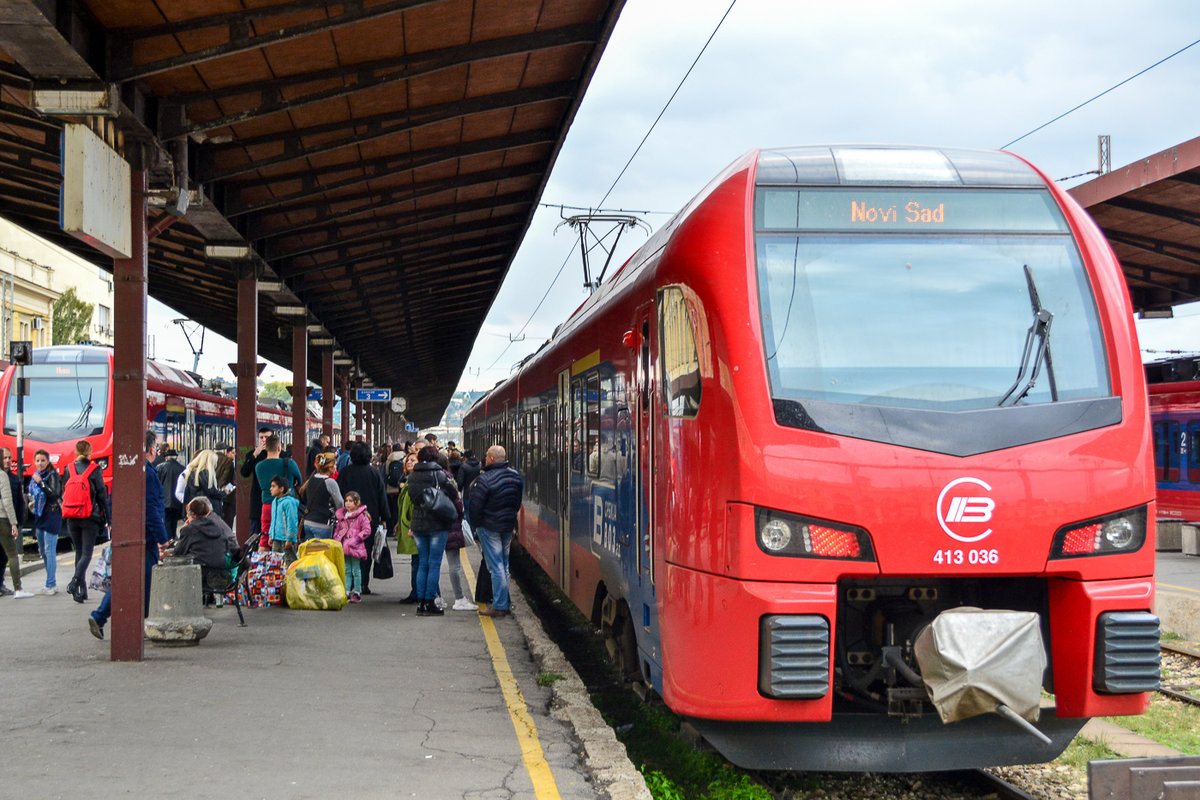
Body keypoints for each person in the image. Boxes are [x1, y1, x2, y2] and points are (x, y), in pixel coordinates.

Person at [88, 431, 170, 639]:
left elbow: (112, 502)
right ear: (152, 450)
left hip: (125, 535)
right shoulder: (149, 474)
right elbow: (151, 510)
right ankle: (139, 623)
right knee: (145, 583)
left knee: (124, 579)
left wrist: (115, 527)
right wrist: (162, 538)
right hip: (145, 539)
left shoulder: (124, 471)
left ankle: (100, 616)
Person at [469, 445, 524, 619]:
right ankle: (504, 603)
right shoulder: (515, 476)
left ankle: (499, 605)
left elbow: (476, 506)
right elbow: (517, 502)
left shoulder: (485, 479)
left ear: (491, 459)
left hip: (489, 526)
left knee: (495, 566)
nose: (485, 458)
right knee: (504, 565)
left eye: (487, 456)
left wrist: (477, 525)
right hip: (507, 525)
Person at [406, 445, 459, 616]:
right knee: (434, 563)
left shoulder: (412, 476)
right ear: (436, 459)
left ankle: (421, 603)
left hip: (418, 524)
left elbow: (413, 498)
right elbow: (453, 494)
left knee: (423, 562)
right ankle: (430, 601)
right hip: (437, 524)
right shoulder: (439, 474)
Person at [335, 441, 390, 596]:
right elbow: (382, 497)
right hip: (369, 519)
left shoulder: (344, 473)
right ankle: (363, 584)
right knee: (365, 551)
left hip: (348, 519)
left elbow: (338, 496)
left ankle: (350, 583)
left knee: (348, 550)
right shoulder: (374, 473)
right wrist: (385, 518)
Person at [63, 439, 110, 603]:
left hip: (72, 516)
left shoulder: (68, 469)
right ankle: (75, 582)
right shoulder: (94, 469)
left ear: (76, 452)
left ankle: (81, 592)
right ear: (90, 452)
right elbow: (102, 495)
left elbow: (64, 490)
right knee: (86, 553)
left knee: (78, 552)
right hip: (89, 517)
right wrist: (108, 518)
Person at [253, 434, 302, 550]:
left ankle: (261, 561)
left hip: (267, 505)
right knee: (287, 539)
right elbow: (299, 481)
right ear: (279, 448)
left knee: (265, 540)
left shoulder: (259, 466)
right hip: (286, 507)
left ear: (266, 448)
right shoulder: (290, 463)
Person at [28, 449, 64, 595]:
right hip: (40, 515)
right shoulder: (35, 477)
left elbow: (54, 494)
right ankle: (50, 581)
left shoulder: (52, 475)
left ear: (48, 461)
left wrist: (41, 483)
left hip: (52, 515)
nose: (40, 463)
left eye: (43, 460)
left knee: (50, 551)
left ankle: (51, 584)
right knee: (43, 551)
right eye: (37, 461)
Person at [172, 496, 238, 570]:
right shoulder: (217, 523)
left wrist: (183, 529)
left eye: (188, 515)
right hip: (222, 568)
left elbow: (178, 552)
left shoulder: (190, 529)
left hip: (201, 571)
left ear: (192, 515)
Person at [0, 447, 31, 598]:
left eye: (9, 458)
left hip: (7, 519)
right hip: (4, 519)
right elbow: (7, 502)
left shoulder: (14, 478)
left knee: (4, 556)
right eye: (4, 458)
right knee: (12, 554)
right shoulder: (4, 477)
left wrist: (18, 521)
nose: (7, 461)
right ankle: (18, 589)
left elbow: (18, 501)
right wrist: (13, 523)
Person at [332, 490, 371, 603]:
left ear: (357, 503)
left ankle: (357, 592)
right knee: (347, 570)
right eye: (346, 501)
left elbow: (367, 530)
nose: (347, 503)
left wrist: (356, 539)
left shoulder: (361, 516)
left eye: (350, 501)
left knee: (356, 570)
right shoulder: (343, 516)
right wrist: (337, 538)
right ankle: (347, 591)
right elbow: (338, 528)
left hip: (355, 547)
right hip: (344, 546)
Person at [239, 427, 273, 546]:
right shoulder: (252, 454)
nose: (263, 440)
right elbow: (244, 472)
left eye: (267, 437)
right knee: (255, 533)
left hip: (273, 499)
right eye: (261, 437)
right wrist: (254, 455)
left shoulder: (281, 455)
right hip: (257, 500)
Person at [299, 452, 343, 541]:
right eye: (335, 464)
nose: (336, 467)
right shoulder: (330, 482)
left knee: (310, 549)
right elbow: (340, 503)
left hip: (308, 522)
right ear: (330, 467)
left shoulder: (311, 479)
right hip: (323, 524)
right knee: (322, 549)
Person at [264, 475, 299, 564]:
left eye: (273, 486)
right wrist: (271, 535)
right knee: (276, 564)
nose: (271, 489)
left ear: (281, 489)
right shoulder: (274, 502)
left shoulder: (288, 502)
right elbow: (273, 520)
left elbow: (292, 522)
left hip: (286, 540)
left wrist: (290, 538)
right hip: (276, 538)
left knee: (289, 563)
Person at [181, 449, 226, 518]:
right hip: (205, 511)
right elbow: (211, 492)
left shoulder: (192, 472)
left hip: (195, 510)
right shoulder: (205, 473)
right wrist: (223, 493)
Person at [157, 449, 185, 539]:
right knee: (174, 520)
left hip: (165, 500)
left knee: (167, 520)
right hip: (177, 500)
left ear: (166, 458)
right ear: (176, 457)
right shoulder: (181, 468)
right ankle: (173, 536)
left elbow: (158, 484)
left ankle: (169, 538)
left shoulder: (160, 467)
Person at [215, 443, 237, 529]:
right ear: (225, 451)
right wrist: (226, 491)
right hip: (227, 499)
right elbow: (230, 481)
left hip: (214, 497)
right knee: (227, 524)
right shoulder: (228, 462)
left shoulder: (210, 460)